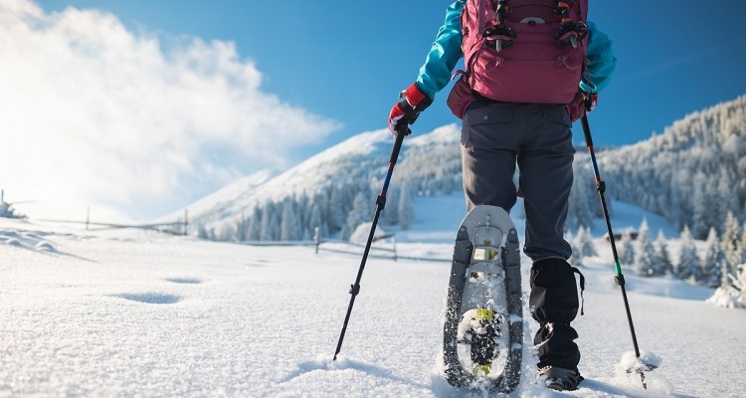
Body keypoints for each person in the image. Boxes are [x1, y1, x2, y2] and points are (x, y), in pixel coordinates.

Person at [388, 0, 616, 391]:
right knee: (548, 242)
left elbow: (449, 42)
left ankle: (482, 342)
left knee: (486, 229)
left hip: (488, 117)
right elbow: (601, 52)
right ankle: (557, 356)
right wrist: (587, 88)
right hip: (552, 119)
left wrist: (415, 96)